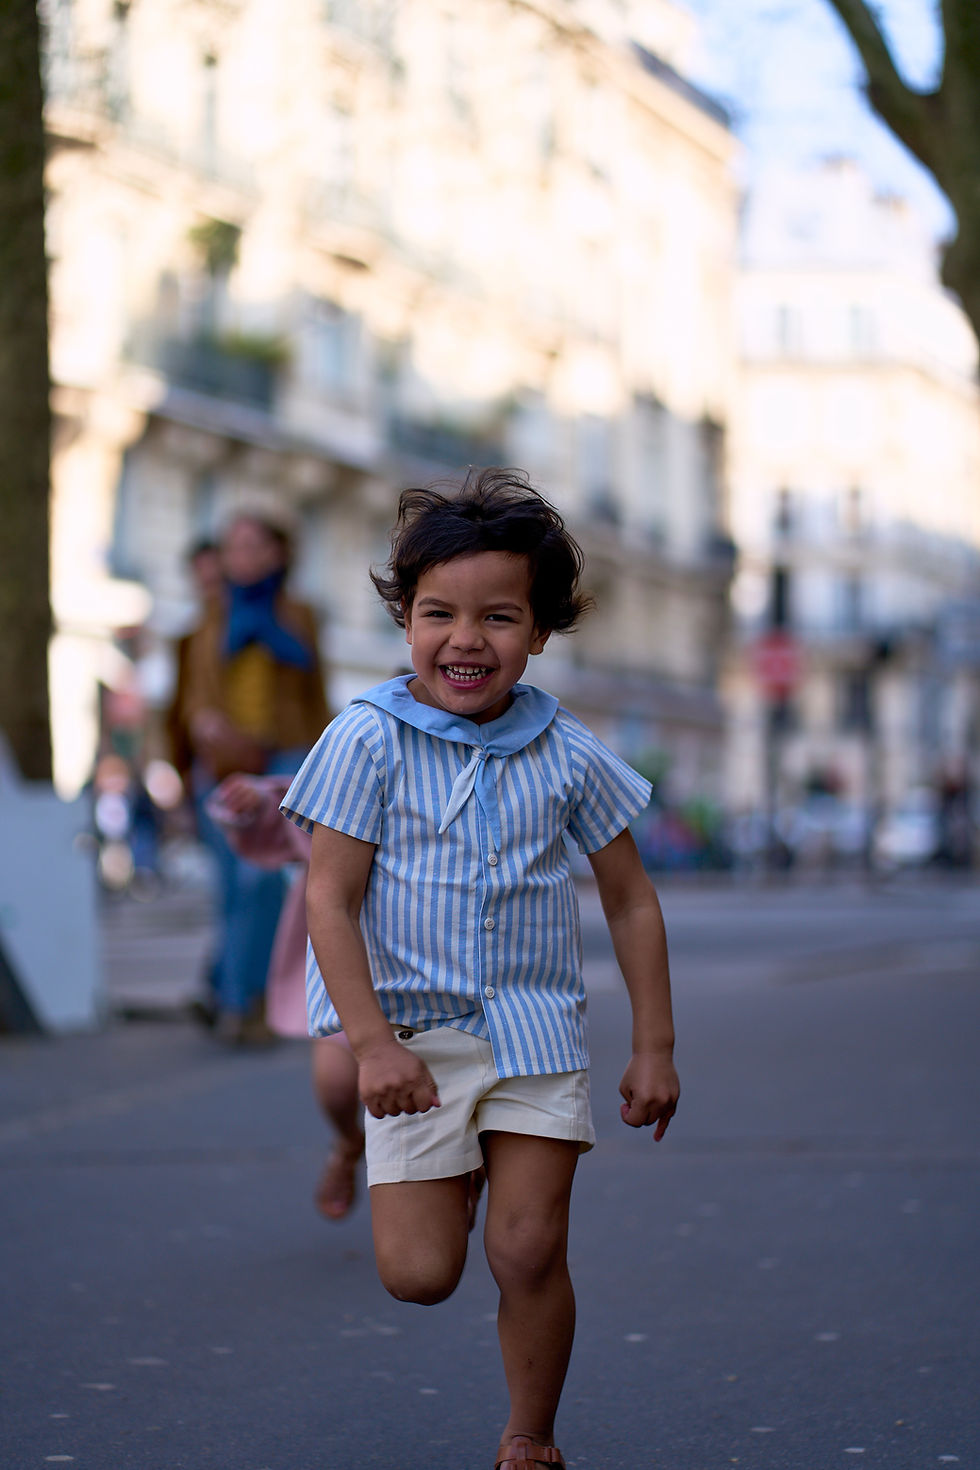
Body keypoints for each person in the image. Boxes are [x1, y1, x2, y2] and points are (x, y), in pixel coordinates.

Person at [281, 468, 679, 1469]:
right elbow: (326, 897)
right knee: (419, 1275)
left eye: (499, 616)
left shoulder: (568, 751)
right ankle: (445, 1176)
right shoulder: (363, 739)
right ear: (402, 621)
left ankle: (528, 1437)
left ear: (540, 631)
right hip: (408, 1043)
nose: (466, 639)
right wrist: (367, 1046)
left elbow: (630, 898)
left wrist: (652, 1048)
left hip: (534, 1033)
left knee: (526, 1249)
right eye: (437, 614)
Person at [175, 513, 329, 1043]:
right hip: (223, 764)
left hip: (285, 756)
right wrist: (204, 724)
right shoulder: (210, 619)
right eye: (232, 546)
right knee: (231, 889)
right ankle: (234, 994)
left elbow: (316, 693)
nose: (240, 556)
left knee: (264, 881)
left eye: (252, 545)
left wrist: (328, 758)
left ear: (277, 552)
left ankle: (242, 1003)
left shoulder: (300, 614)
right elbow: (194, 696)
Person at [205, 771, 365, 1218]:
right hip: (349, 965)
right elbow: (294, 806)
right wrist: (254, 802)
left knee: (448, 1095)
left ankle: (459, 1175)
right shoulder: (361, 749)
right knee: (336, 1089)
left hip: (439, 970)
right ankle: (349, 1144)